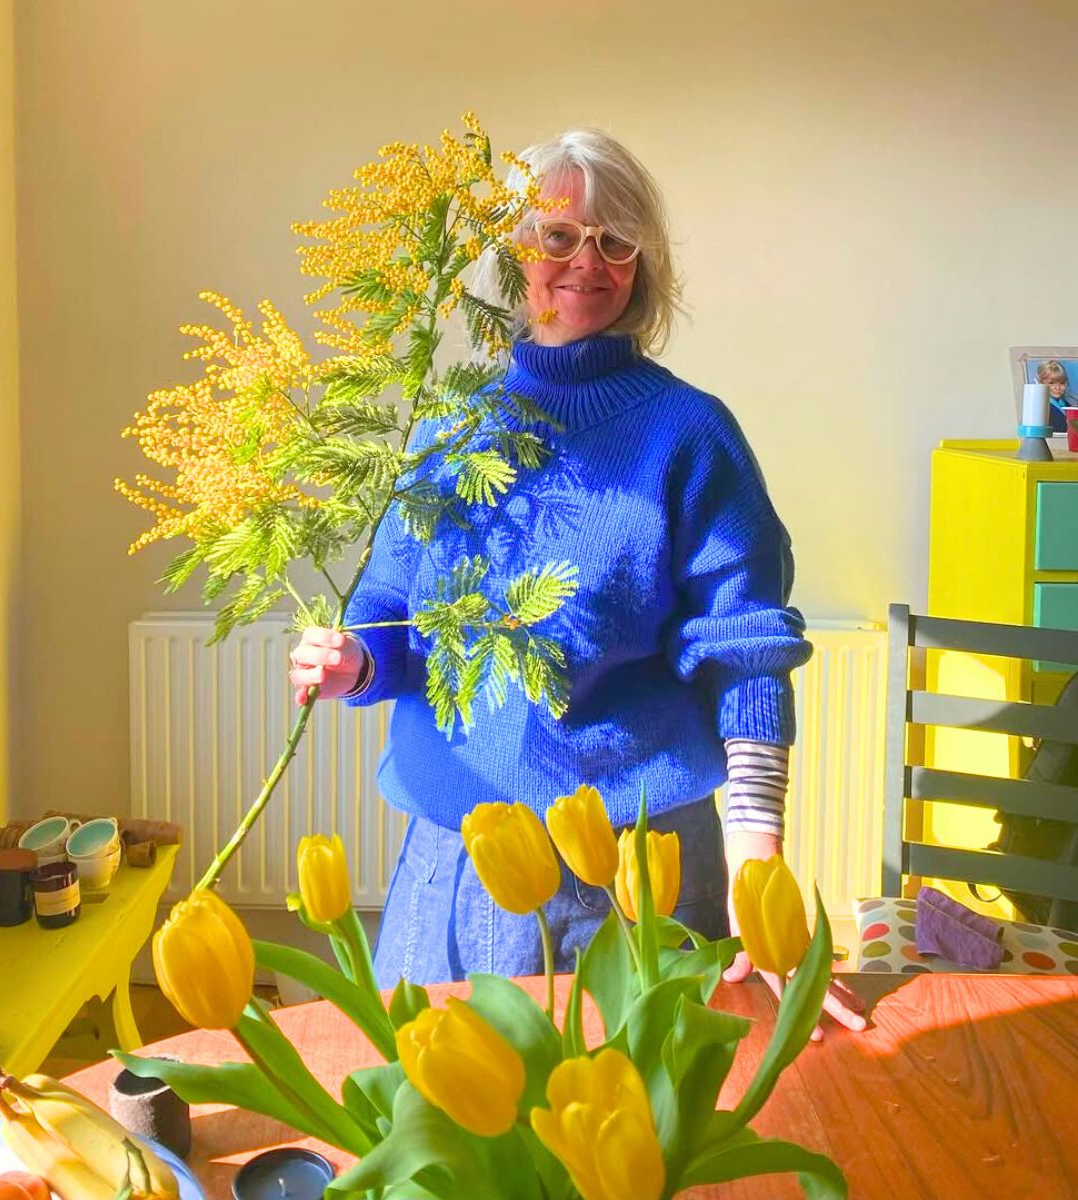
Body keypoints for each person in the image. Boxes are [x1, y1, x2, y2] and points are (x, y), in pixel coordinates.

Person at [289, 128, 865, 1034]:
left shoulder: (690, 434)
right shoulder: (450, 427)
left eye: (615, 241)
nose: (586, 263)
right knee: (454, 1141)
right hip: (459, 861)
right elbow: (395, 616)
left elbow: (745, 651)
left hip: (641, 870)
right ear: (512, 255)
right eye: (558, 237)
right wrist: (351, 662)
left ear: (645, 263)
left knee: (634, 1146)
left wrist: (761, 868)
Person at [1036, 360, 1078, 434]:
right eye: (1051, 383)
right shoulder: (1040, 408)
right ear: (1041, 383)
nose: (1058, 388)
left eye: (1062, 383)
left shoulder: (1068, 404)